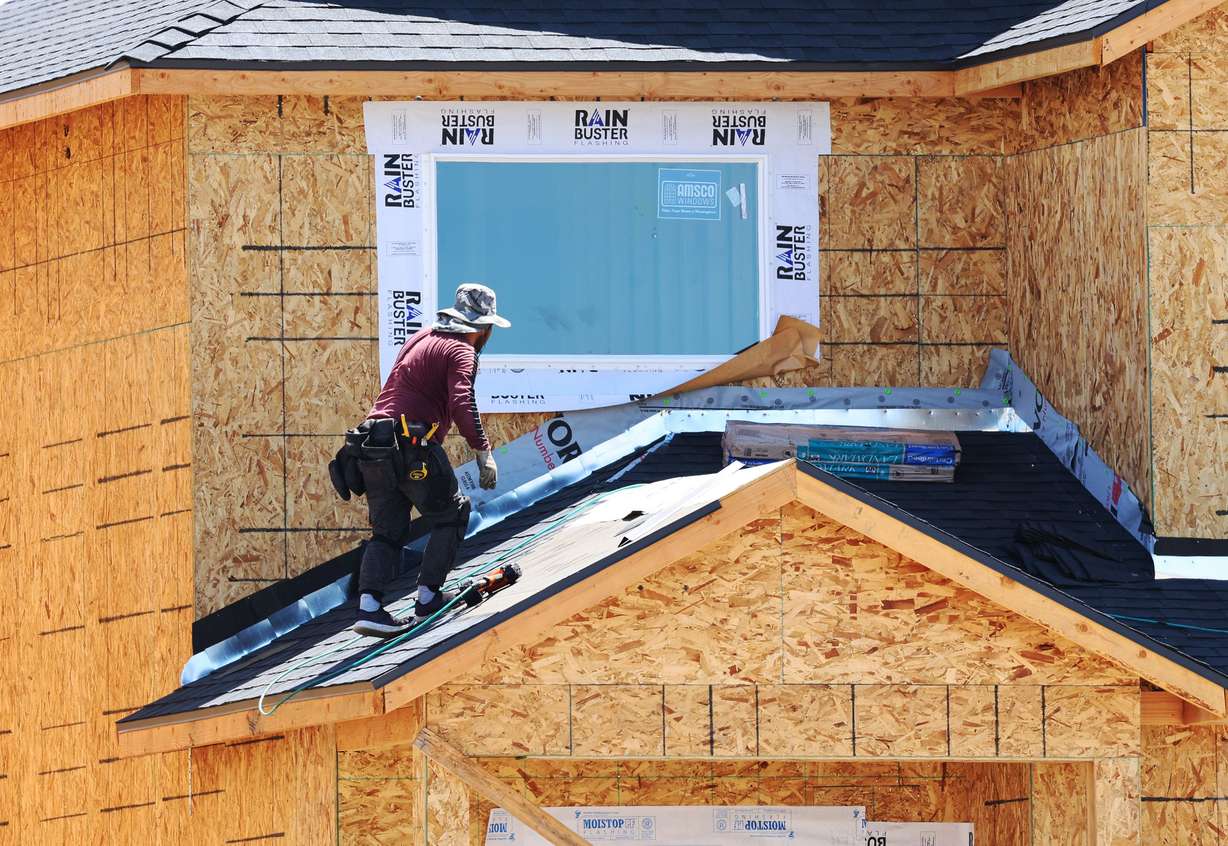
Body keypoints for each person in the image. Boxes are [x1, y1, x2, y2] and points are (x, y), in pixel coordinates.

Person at [335, 283, 508, 638]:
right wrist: (483, 452)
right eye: (488, 329)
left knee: (388, 531)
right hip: (412, 445)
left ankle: (369, 609)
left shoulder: (421, 337)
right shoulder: (462, 351)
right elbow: (462, 402)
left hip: (373, 445)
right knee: (453, 513)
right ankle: (428, 597)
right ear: (482, 327)